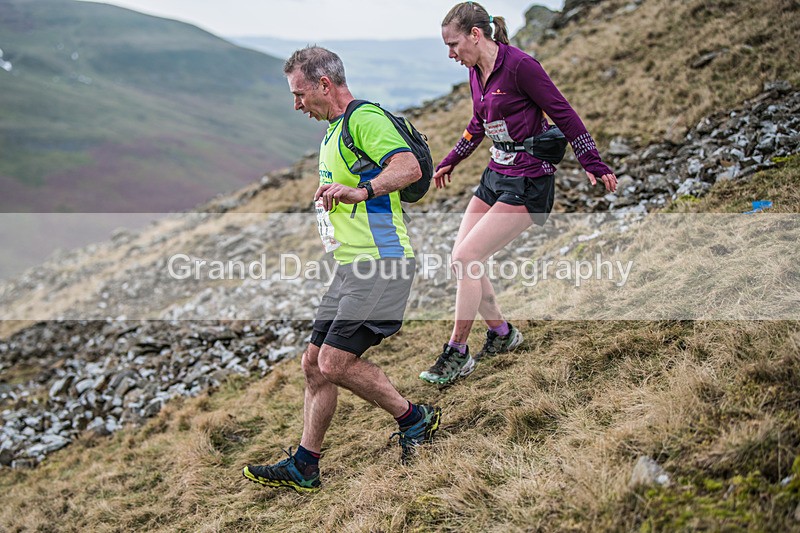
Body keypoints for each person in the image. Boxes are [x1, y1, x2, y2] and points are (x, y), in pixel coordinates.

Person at [243, 46, 441, 493]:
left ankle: (415, 418)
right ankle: (305, 465)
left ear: (324, 85)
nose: (297, 105)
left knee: (334, 361)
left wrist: (361, 191)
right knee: (313, 364)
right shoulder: (335, 130)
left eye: (299, 94)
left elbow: (407, 167)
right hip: (352, 266)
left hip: (383, 264)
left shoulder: (363, 119)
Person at [419, 2, 618, 385]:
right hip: (495, 175)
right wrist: (450, 160)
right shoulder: (477, 71)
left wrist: (593, 161)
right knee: (463, 260)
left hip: (529, 180)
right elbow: (478, 123)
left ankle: (456, 352)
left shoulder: (521, 66)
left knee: (466, 256)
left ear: (476, 35)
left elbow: (563, 113)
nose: (450, 54)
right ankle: (501, 334)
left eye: (453, 44)